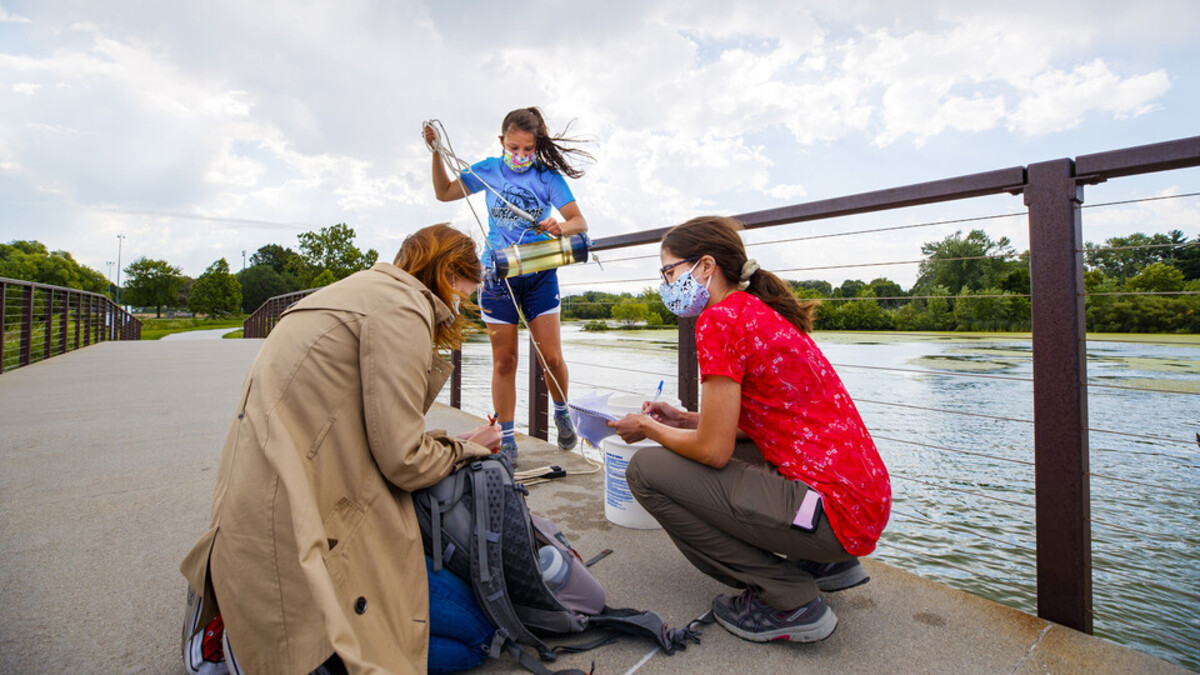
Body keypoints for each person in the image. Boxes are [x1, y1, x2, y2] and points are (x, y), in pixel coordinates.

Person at [180, 224, 502, 674]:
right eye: (465, 294)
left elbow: (361, 430)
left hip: (265, 514)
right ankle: (312, 654)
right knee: (477, 637)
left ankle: (261, 630)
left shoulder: (362, 290)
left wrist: (453, 442)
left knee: (446, 624)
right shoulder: (403, 309)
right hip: (306, 528)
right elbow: (403, 461)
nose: (461, 307)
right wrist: (467, 451)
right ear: (449, 272)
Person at [608, 215, 891, 644]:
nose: (665, 284)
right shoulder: (760, 313)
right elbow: (768, 417)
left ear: (705, 267)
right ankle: (823, 564)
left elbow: (713, 452)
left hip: (831, 514)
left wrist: (647, 426)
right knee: (685, 451)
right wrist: (686, 420)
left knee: (646, 472)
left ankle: (787, 595)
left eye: (668, 272)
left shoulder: (719, 320)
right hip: (857, 502)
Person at [425, 107, 592, 468]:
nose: (519, 157)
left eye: (527, 150)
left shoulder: (548, 178)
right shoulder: (486, 171)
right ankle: (505, 438)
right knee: (505, 361)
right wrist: (437, 153)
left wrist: (560, 226)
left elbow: (579, 221)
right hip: (497, 276)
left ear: (537, 147)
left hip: (539, 273)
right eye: (512, 148)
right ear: (501, 142)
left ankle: (561, 411)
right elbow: (443, 192)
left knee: (552, 357)